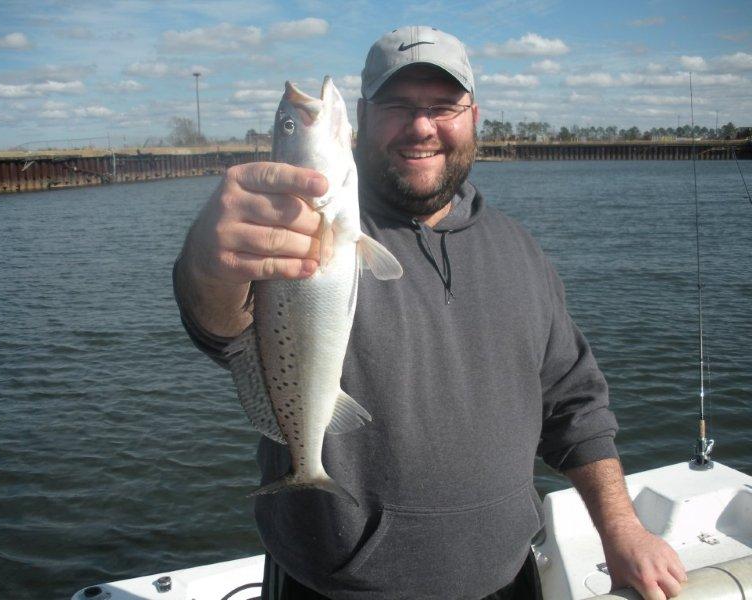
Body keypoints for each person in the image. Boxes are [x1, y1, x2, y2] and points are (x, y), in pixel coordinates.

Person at [173, 25, 687, 600]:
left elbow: (574, 404)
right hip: (338, 588)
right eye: (398, 105)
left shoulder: (520, 250)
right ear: (361, 118)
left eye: (444, 106)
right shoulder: (290, 234)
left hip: (507, 581)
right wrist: (207, 261)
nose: (422, 126)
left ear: (474, 116)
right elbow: (221, 325)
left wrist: (620, 528)